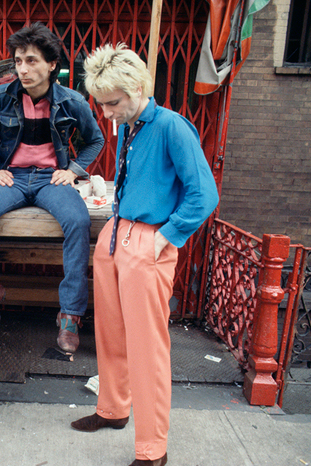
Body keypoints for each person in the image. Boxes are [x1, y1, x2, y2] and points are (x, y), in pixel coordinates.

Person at [70, 44, 219, 466]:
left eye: (112, 102)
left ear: (137, 88)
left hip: (147, 241)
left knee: (148, 348)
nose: (106, 112)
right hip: (116, 236)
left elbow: (203, 194)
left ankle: (152, 450)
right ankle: (113, 409)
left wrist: (165, 237)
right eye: (101, 103)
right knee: (111, 334)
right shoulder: (130, 125)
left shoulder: (171, 126)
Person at [0, 22, 104, 352]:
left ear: (52, 64)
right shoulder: (0, 96)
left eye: (31, 61)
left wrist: (73, 171)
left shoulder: (71, 101)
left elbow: (94, 139)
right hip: (11, 177)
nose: (22, 69)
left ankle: (69, 315)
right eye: (18, 61)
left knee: (79, 222)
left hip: (50, 179)